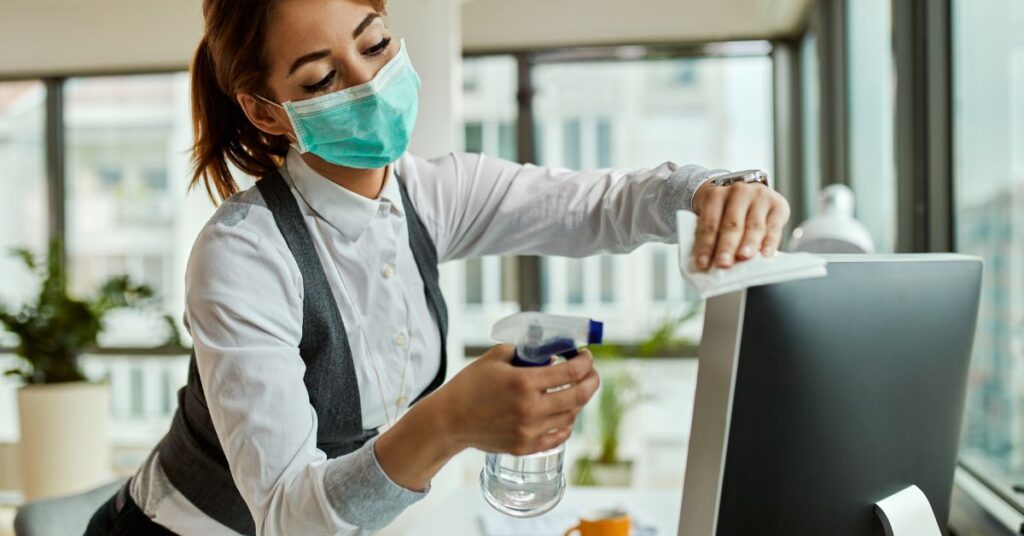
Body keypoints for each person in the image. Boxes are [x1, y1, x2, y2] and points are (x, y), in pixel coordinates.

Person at [85, 0, 790, 534]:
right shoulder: (243, 254)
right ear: (267, 114)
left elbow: (600, 205)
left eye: (375, 44)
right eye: (323, 78)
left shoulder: (431, 194)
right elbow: (289, 517)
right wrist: (449, 421)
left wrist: (714, 191)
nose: (369, 84)